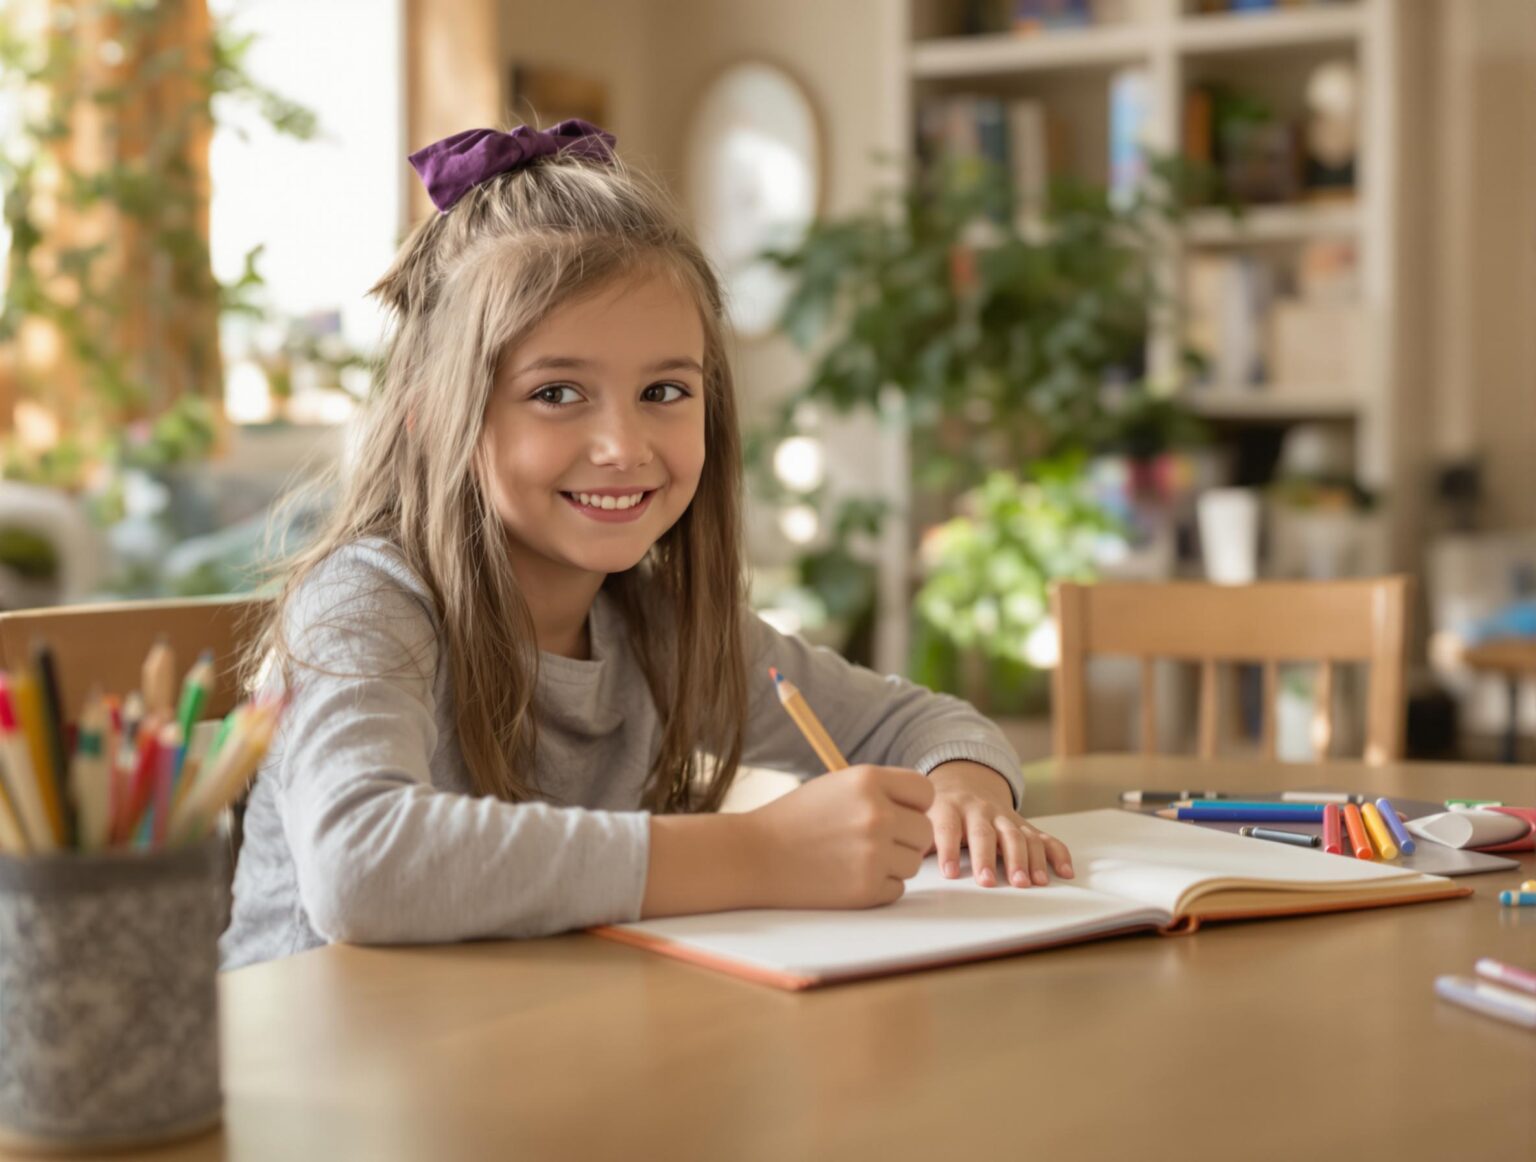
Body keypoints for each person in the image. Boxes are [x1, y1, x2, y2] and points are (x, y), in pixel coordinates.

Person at [219, 122, 1073, 972]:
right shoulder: (365, 604)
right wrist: (756, 856)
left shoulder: (660, 629)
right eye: (557, 392)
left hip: (513, 1055)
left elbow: (920, 722)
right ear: (436, 419)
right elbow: (362, 867)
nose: (623, 445)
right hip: (312, 1075)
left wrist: (968, 791)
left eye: (664, 390)